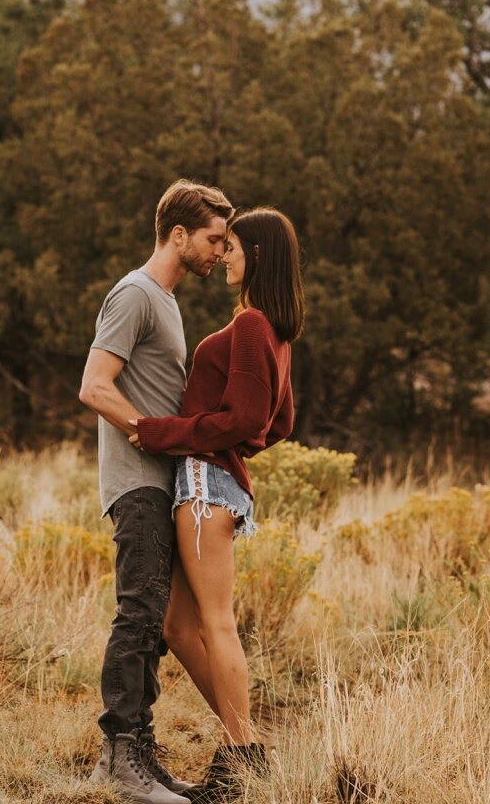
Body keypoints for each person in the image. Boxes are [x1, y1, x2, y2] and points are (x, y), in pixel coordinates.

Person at [129, 207, 304, 803]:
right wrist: (236, 442)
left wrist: (163, 432)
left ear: (257, 253)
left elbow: (252, 420)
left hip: (204, 484)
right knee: (179, 626)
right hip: (211, 481)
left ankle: (239, 755)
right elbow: (278, 423)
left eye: (233, 246)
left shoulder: (255, 325)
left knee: (216, 623)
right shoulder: (271, 331)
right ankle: (246, 745)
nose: (224, 255)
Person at [80, 179, 233, 804]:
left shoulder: (167, 303)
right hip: (137, 482)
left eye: (225, 244)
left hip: (161, 483)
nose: (221, 253)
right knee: (139, 614)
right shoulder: (136, 294)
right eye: (213, 240)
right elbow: (94, 385)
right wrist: (150, 434)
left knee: (156, 621)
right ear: (178, 234)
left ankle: (139, 756)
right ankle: (120, 759)